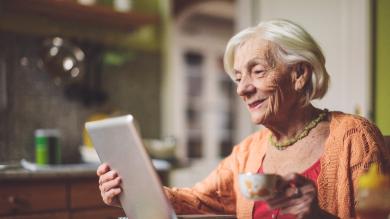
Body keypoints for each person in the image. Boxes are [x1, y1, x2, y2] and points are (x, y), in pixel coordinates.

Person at [97, 19, 390, 219]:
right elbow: (197, 200)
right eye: (238, 77)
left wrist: (317, 215)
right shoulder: (249, 152)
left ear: (299, 74)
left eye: (257, 72)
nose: (242, 89)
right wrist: (130, 189)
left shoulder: (354, 138)